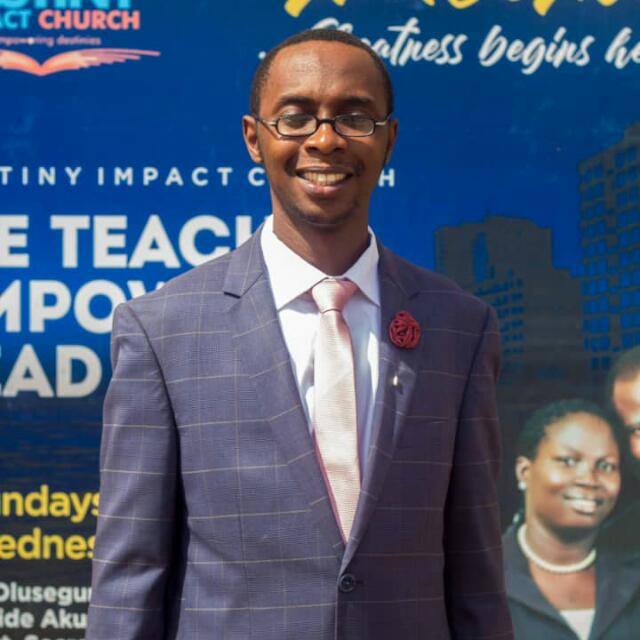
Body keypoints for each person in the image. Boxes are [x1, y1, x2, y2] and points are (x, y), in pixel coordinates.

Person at [86, 29, 513, 639]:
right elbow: (130, 577)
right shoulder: (162, 331)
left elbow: (477, 574)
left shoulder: (458, 328)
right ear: (253, 138)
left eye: (354, 117)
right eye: (295, 117)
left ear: (389, 139)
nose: (325, 139)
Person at [503, 399, 640, 639]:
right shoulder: (474, 574)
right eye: (568, 461)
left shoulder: (634, 576)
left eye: (606, 466)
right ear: (524, 471)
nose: (589, 479)